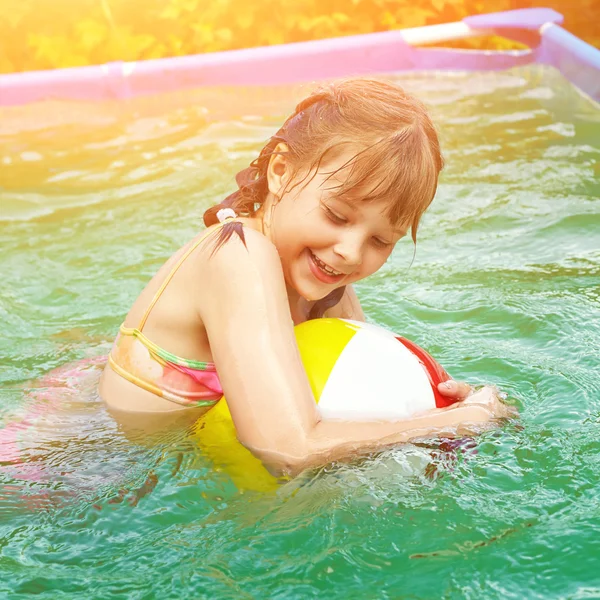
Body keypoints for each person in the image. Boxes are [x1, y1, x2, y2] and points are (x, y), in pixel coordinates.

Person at [99, 78, 511, 475]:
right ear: (280, 171)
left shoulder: (325, 280)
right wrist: (457, 422)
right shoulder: (238, 254)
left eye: (381, 240)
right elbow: (288, 448)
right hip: (95, 461)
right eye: (336, 214)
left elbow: (364, 388)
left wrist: (439, 404)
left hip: (176, 455)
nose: (351, 251)